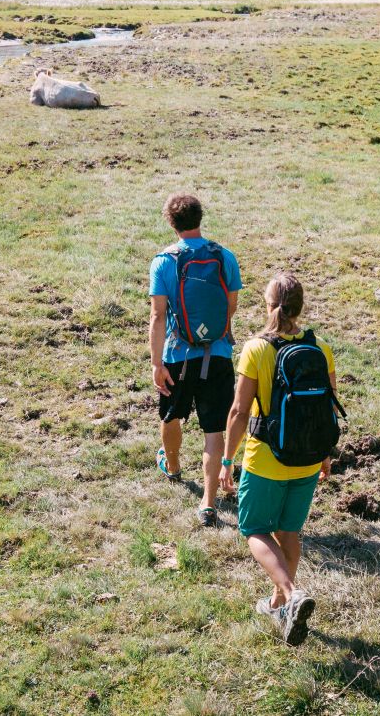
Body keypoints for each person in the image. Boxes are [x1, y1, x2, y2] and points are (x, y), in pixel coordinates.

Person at [220, 274, 343, 646]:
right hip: (307, 459)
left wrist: (227, 460)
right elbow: (329, 408)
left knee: (254, 528)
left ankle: (291, 593)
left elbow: (240, 411)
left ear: (267, 305)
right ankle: (278, 604)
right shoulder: (320, 347)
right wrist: (325, 455)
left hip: (267, 459)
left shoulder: (256, 348)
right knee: (289, 532)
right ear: (301, 306)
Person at [149, 193, 242, 526]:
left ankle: (172, 466)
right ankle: (207, 501)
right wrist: (219, 334)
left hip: (178, 353)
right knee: (214, 429)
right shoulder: (224, 256)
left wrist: (157, 363)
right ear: (200, 218)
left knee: (172, 414)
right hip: (217, 353)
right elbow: (231, 306)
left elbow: (158, 316)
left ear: (171, 223)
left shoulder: (163, 261)